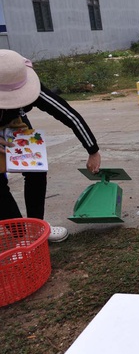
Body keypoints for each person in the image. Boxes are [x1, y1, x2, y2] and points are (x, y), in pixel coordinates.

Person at [0, 50, 101, 242]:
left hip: (14, 124)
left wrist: (93, 150)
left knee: (35, 169)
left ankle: (36, 228)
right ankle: (19, 234)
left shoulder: (27, 84)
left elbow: (68, 115)